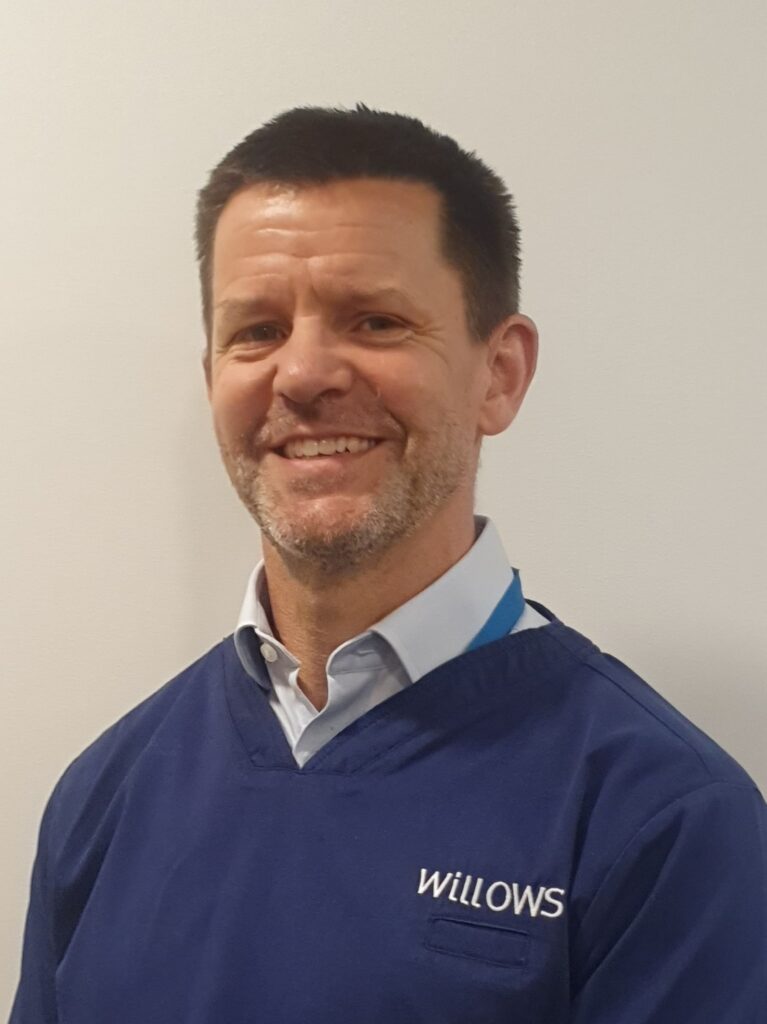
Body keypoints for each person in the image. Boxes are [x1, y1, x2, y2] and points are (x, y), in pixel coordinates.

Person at [10, 103, 766, 1023]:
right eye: (256, 330)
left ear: (500, 374)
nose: (302, 374)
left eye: (373, 321)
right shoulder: (108, 791)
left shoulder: (664, 819)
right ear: (213, 374)